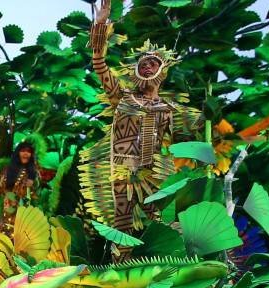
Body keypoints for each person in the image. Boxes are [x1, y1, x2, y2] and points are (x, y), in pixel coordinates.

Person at [80, 0, 199, 249]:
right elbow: (99, 64)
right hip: (123, 171)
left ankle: (162, 272)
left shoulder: (170, 109)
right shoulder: (121, 97)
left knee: (158, 225)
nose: (146, 65)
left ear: (162, 70)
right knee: (122, 226)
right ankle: (120, 277)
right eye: (142, 63)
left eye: (153, 62)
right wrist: (101, 24)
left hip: (155, 174)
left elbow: (185, 146)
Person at [0, 141, 39, 236]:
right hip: (7, 221)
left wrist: (32, 183)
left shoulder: (34, 173)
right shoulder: (7, 171)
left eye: (29, 151)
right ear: (17, 153)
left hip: (26, 221)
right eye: (23, 150)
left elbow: (36, 195)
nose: (26, 153)